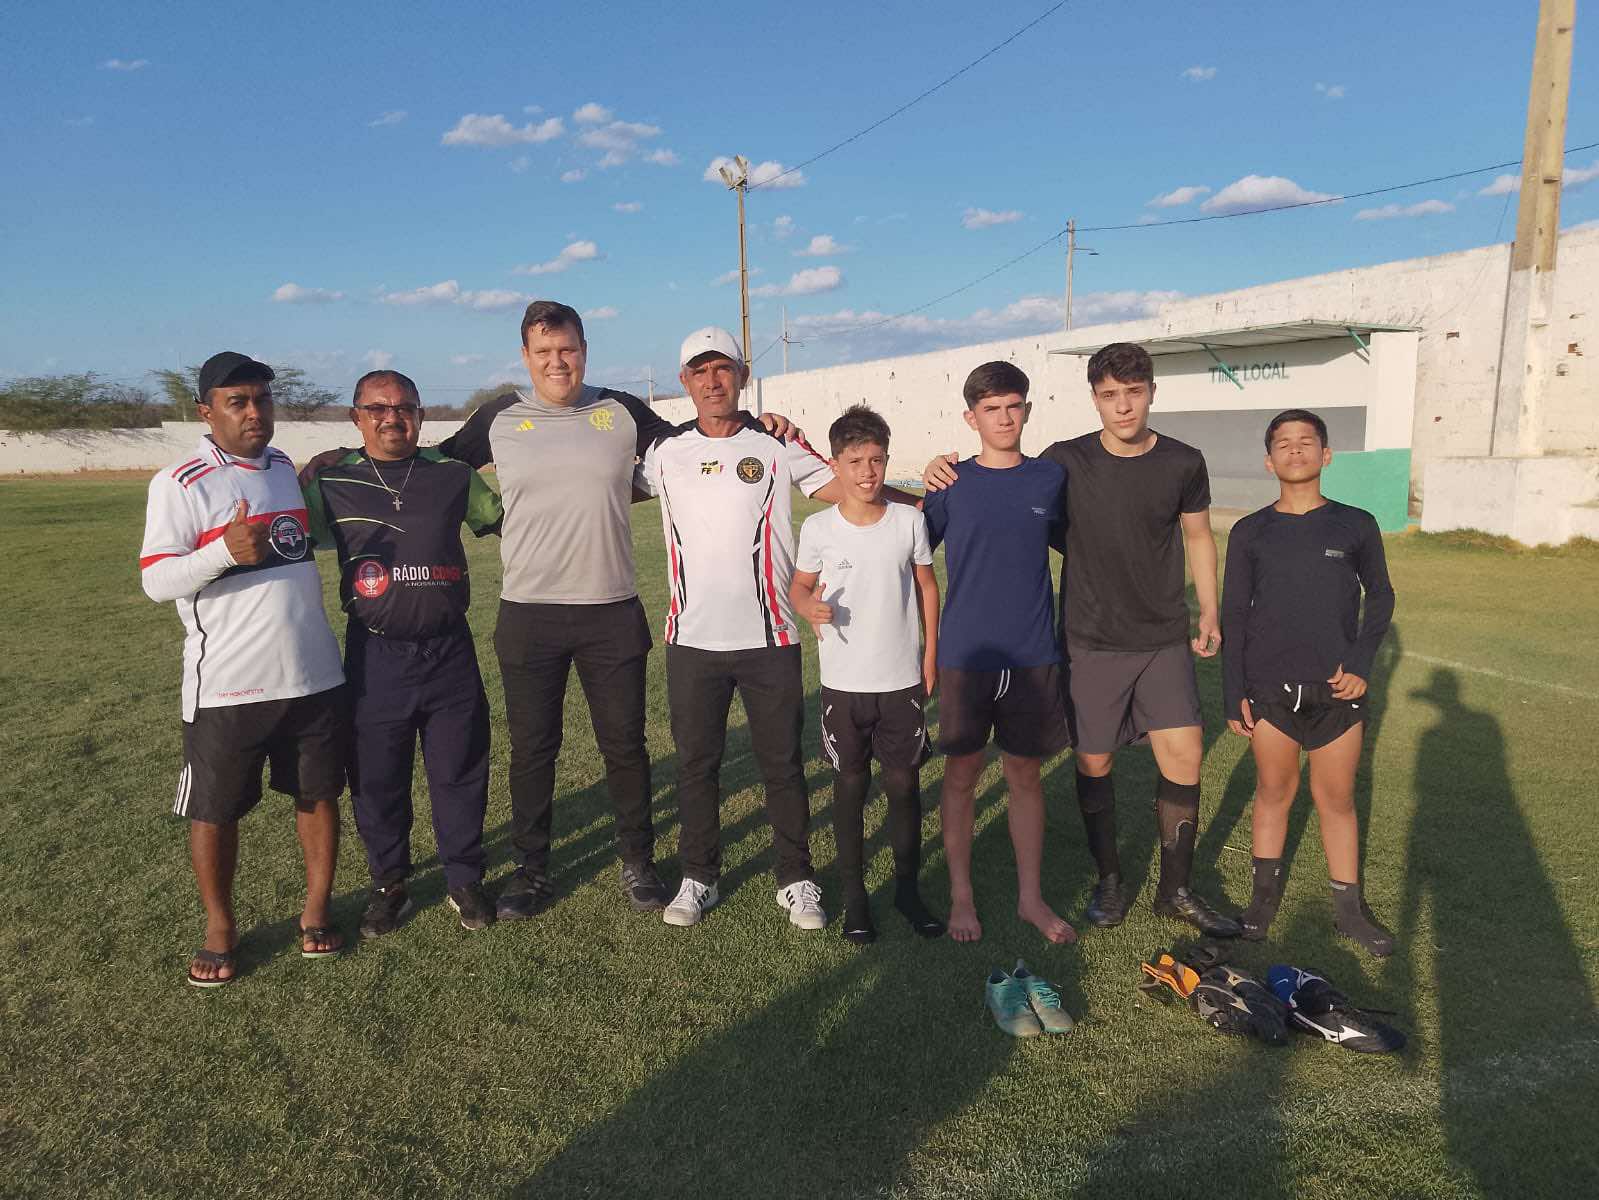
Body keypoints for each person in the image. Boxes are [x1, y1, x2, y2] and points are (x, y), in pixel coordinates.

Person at [925, 342, 1240, 937]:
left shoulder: (1132, 465)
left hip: (1114, 642)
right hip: (1038, 646)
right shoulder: (1025, 471)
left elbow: (1192, 536)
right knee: (1013, 768)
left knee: (1171, 758)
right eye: (1109, 395)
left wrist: (1209, 610)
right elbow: (914, 543)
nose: (1123, 406)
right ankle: (1078, 886)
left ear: (1151, 391)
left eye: (1134, 392)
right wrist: (928, 472)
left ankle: (1168, 891)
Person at [635, 328, 887, 930]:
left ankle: (796, 878)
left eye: (723, 369)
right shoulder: (664, 454)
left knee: (782, 765)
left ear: (742, 376)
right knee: (697, 765)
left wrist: (934, 497)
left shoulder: (777, 446)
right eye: (700, 371)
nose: (713, 381)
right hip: (692, 640)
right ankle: (699, 875)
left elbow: (853, 488)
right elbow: (597, 489)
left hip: (770, 637)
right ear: (685, 383)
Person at [139, 351, 348, 986]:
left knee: (318, 794)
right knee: (216, 808)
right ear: (206, 410)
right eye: (238, 401)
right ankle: (220, 926)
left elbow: (296, 535)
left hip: (314, 673)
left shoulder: (285, 467)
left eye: (261, 399)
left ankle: (316, 910)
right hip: (228, 682)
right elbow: (155, 579)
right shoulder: (181, 482)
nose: (254, 412)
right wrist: (220, 553)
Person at [300, 370, 504, 937]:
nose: (393, 418)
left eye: (405, 407)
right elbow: (287, 534)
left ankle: (464, 878)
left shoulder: (454, 477)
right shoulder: (329, 483)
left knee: (460, 771)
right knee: (376, 777)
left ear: (419, 413)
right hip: (375, 657)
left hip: (449, 652)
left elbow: (513, 523)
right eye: (378, 408)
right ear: (356, 417)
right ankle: (388, 884)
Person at [1222, 409, 1396, 955]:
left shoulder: (1356, 524)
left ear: (1325, 455)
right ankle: (1261, 904)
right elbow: (1234, 615)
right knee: (1274, 792)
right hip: (1272, 692)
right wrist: (1235, 692)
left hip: (1337, 692)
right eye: (1283, 443)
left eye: (1306, 442)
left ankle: (1350, 910)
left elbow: (1381, 597)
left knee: (1336, 799)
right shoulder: (1251, 531)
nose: (1295, 450)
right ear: (1268, 459)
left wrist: (1362, 664)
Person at [921, 361, 1076, 946]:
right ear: (971, 417)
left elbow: (1084, 542)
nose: (1004, 417)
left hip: (1033, 654)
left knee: (1024, 775)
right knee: (962, 774)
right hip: (967, 655)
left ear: (1027, 411)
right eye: (991, 408)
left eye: (1013, 406)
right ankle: (962, 895)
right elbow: (907, 545)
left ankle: (1030, 898)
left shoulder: (1049, 480)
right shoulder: (951, 483)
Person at [790, 404, 946, 944]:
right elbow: (798, 587)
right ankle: (856, 900)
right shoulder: (817, 527)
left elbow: (927, 588)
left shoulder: (909, 521)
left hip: (901, 680)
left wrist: (929, 657)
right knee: (850, 787)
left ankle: (907, 890)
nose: (867, 473)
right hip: (843, 684)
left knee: (903, 787)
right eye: (855, 461)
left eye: (877, 460)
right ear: (836, 464)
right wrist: (808, 606)